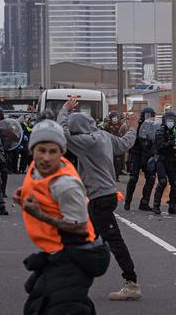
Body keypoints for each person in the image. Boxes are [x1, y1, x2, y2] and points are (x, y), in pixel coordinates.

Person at [14, 119, 110, 315]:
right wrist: (23, 193)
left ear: (62, 153)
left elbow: (80, 227)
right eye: (41, 150)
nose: (46, 158)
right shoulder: (37, 169)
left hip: (80, 252)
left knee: (62, 306)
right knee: (37, 302)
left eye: (53, 151)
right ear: (32, 150)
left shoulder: (66, 186)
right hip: (59, 251)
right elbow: (39, 186)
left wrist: (38, 214)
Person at [57, 98, 142, 301]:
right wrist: (132, 128)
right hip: (106, 195)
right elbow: (124, 144)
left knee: (113, 240)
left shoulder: (85, 142)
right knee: (89, 237)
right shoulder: (103, 136)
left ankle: (131, 283)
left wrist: (64, 111)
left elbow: (62, 133)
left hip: (100, 198)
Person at [125, 107, 157, 211]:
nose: (149, 118)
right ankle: (127, 202)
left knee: (151, 179)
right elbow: (129, 140)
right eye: (147, 115)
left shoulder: (155, 126)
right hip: (136, 155)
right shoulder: (137, 126)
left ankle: (144, 202)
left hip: (148, 156)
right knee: (133, 178)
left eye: (151, 116)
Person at [151, 111, 176, 215]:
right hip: (162, 160)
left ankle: (172, 207)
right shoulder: (160, 131)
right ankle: (156, 205)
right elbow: (159, 145)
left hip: (172, 160)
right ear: (164, 121)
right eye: (169, 120)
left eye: (172, 120)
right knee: (163, 181)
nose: (170, 122)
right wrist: (169, 143)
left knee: (175, 183)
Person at [102, 111, 127, 181]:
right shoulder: (107, 125)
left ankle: (116, 176)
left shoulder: (121, 125)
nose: (115, 118)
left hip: (118, 144)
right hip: (109, 144)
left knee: (118, 161)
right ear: (111, 118)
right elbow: (104, 133)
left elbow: (125, 134)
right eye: (113, 117)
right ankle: (110, 176)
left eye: (116, 117)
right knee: (110, 161)